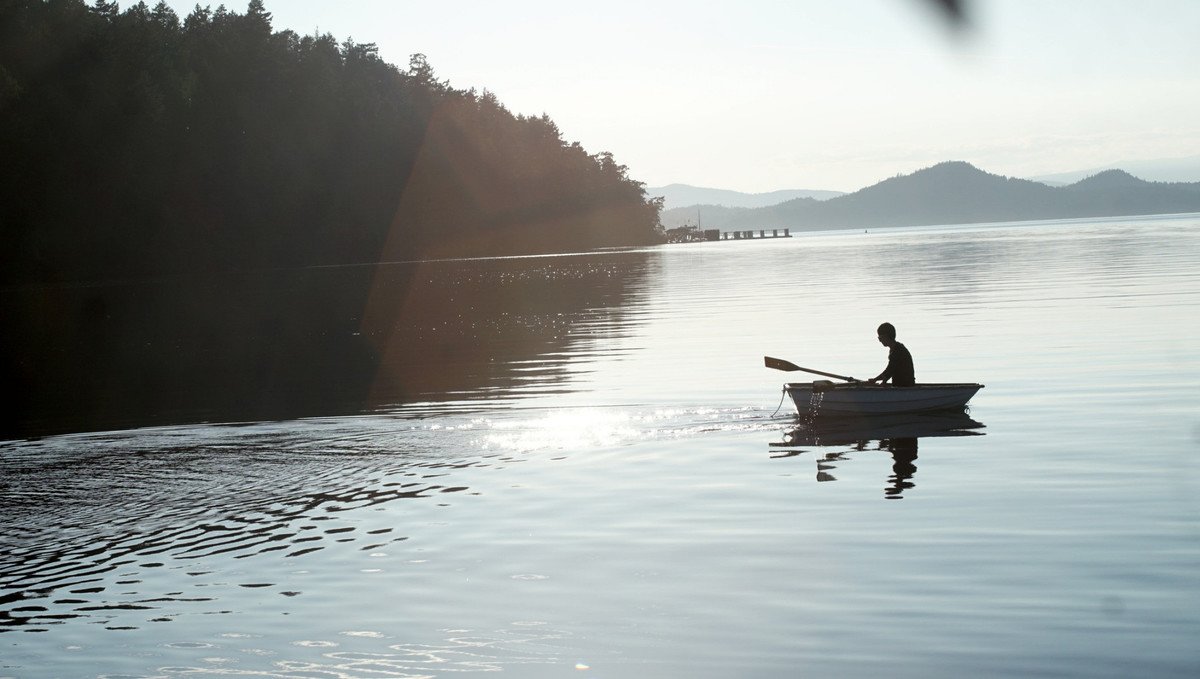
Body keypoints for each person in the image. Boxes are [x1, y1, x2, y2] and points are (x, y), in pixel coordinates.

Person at [868, 322, 915, 386]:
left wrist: (876, 379)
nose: (880, 341)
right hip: (901, 385)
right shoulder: (896, 348)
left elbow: (890, 371)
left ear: (886, 336)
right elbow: (889, 371)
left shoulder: (898, 351)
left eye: (880, 338)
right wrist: (877, 380)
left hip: (903, 386)